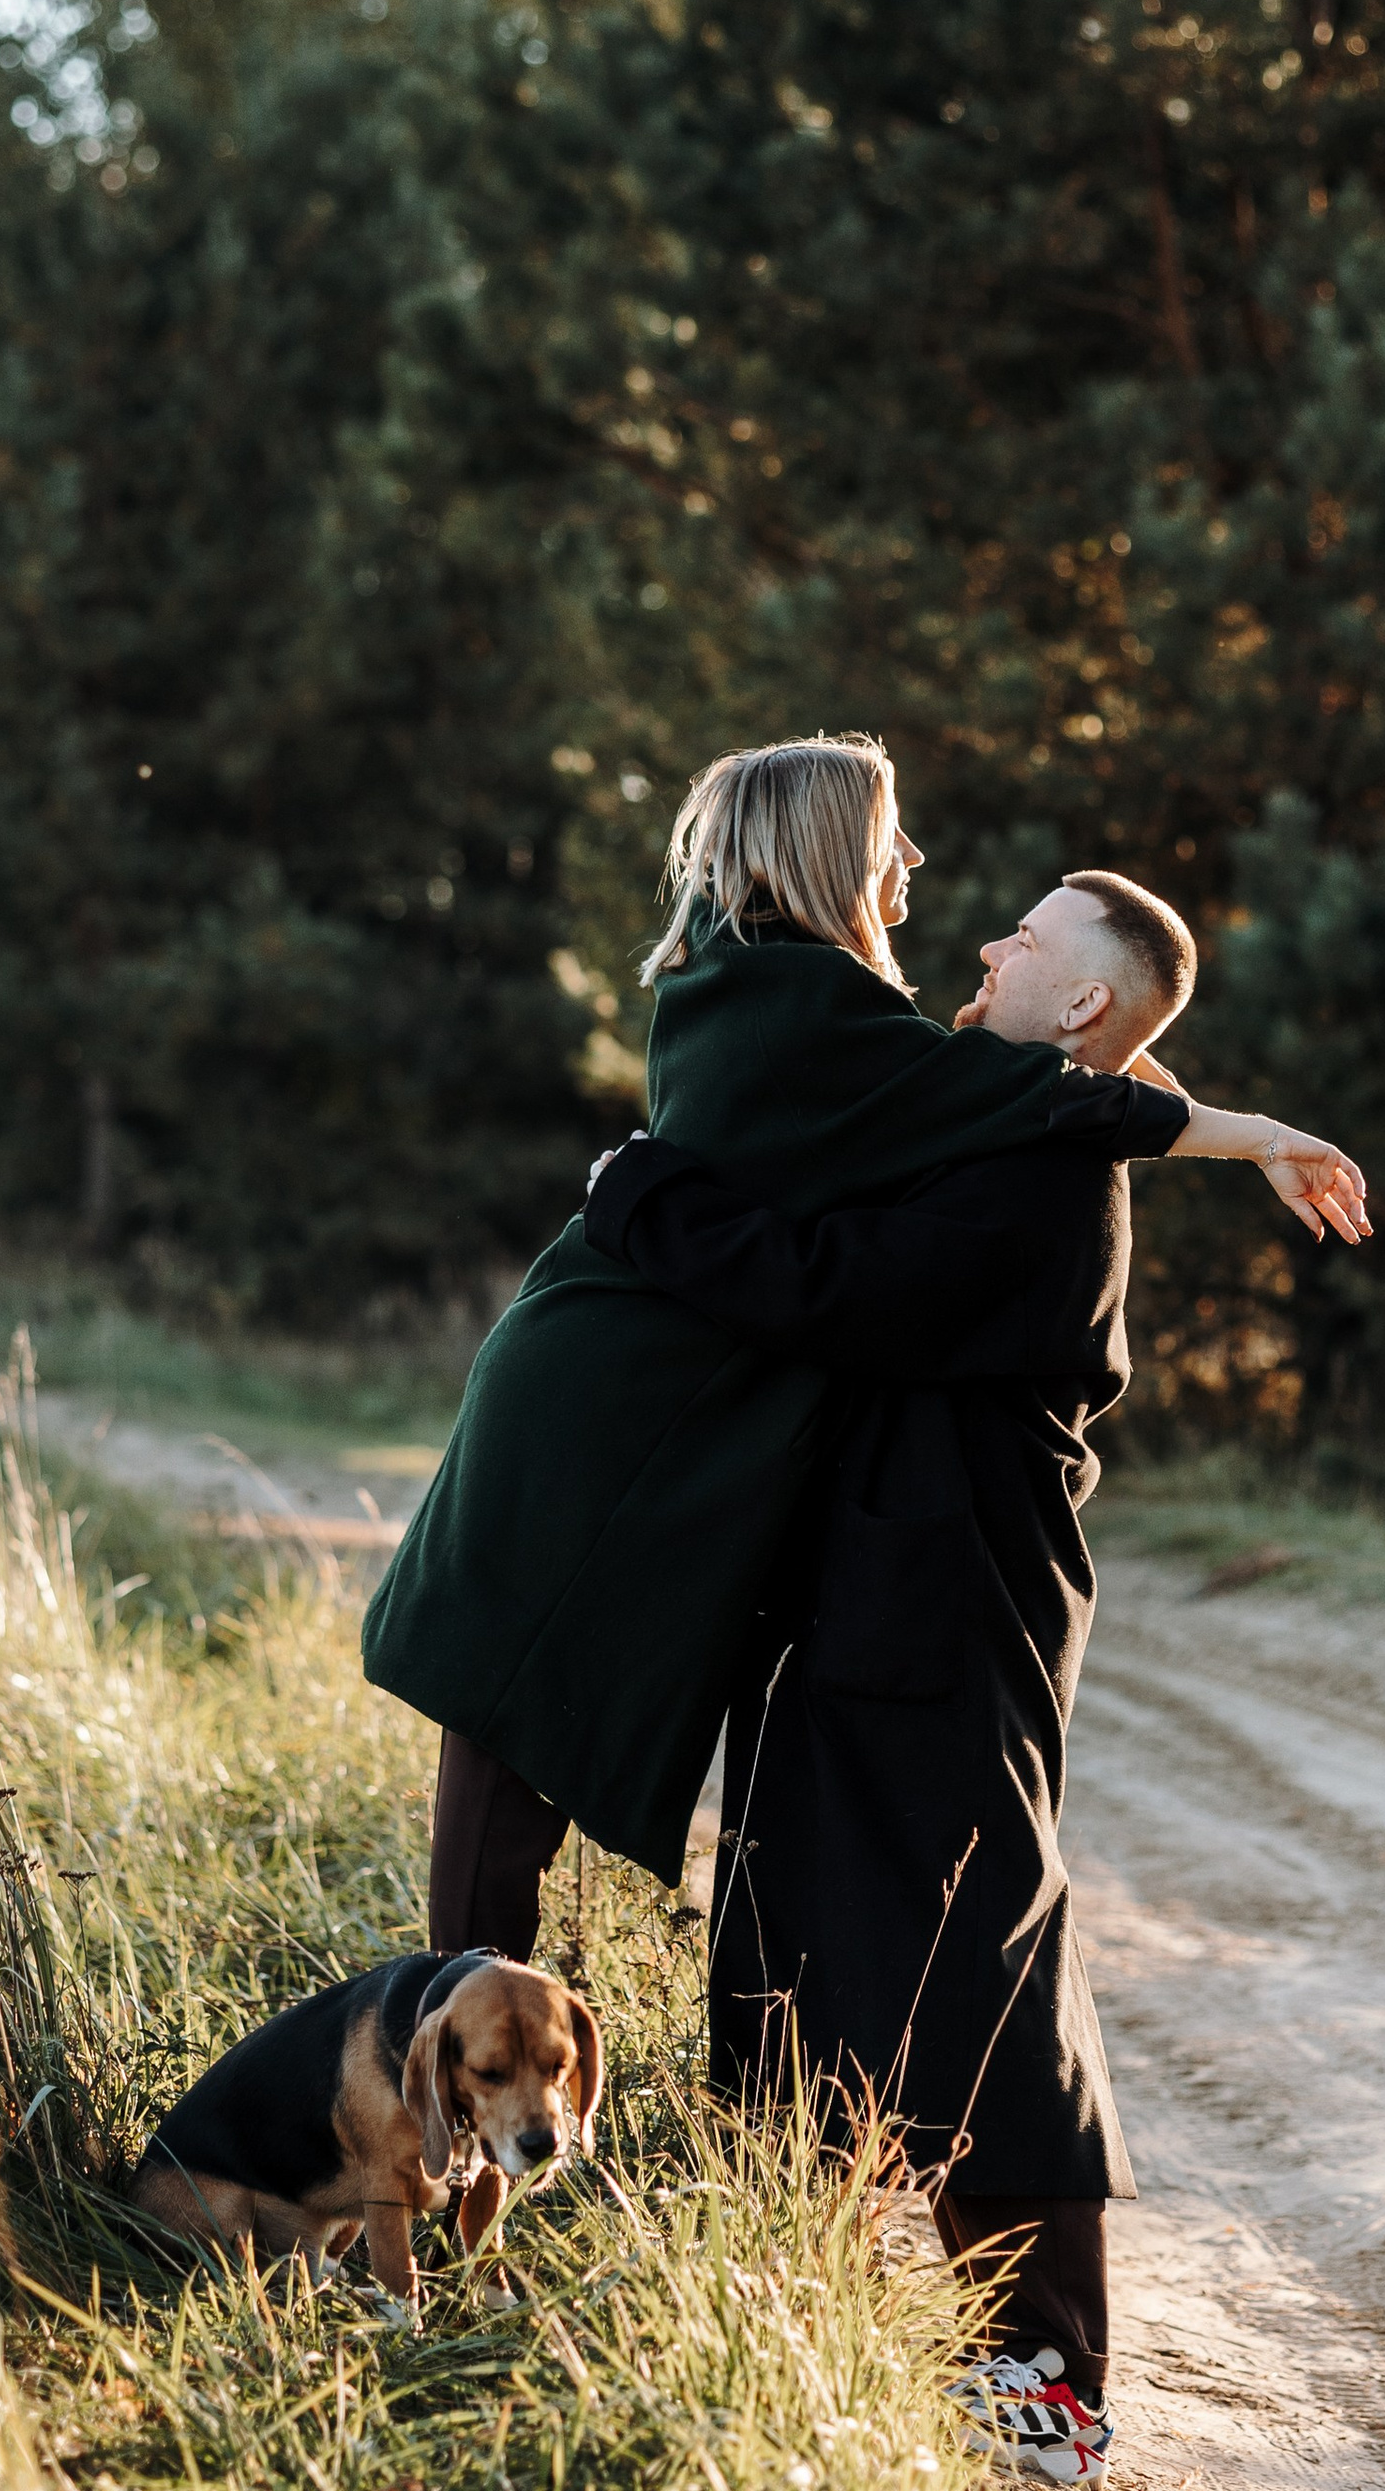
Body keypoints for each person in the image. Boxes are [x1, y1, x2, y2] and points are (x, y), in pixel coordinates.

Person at [581, 869, 1368, 2483]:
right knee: (801, 1928)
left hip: (950, 1613)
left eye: (1026, 940)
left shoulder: (1042, 1169)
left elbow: (826, 1289)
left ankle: (1047, 2383)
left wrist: (640, 1191)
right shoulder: (1006, 1116)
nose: (989, 944)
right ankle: (784, 2303)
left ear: (1080, 1007)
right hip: (864, 1600)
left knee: (974, 1955)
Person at [367, 735, 1182, 1943]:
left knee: (514, 1736)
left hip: (608, 1386)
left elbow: (1030, 1078)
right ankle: (461, 2067)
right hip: (611, 1409)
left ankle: (469, 2052)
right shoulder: (811, 1003)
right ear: (825, 854)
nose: (910, 855)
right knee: (509, 1737)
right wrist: (1250, 1132)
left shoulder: (756, 983)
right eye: (886, 834)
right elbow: (1062, 1096)